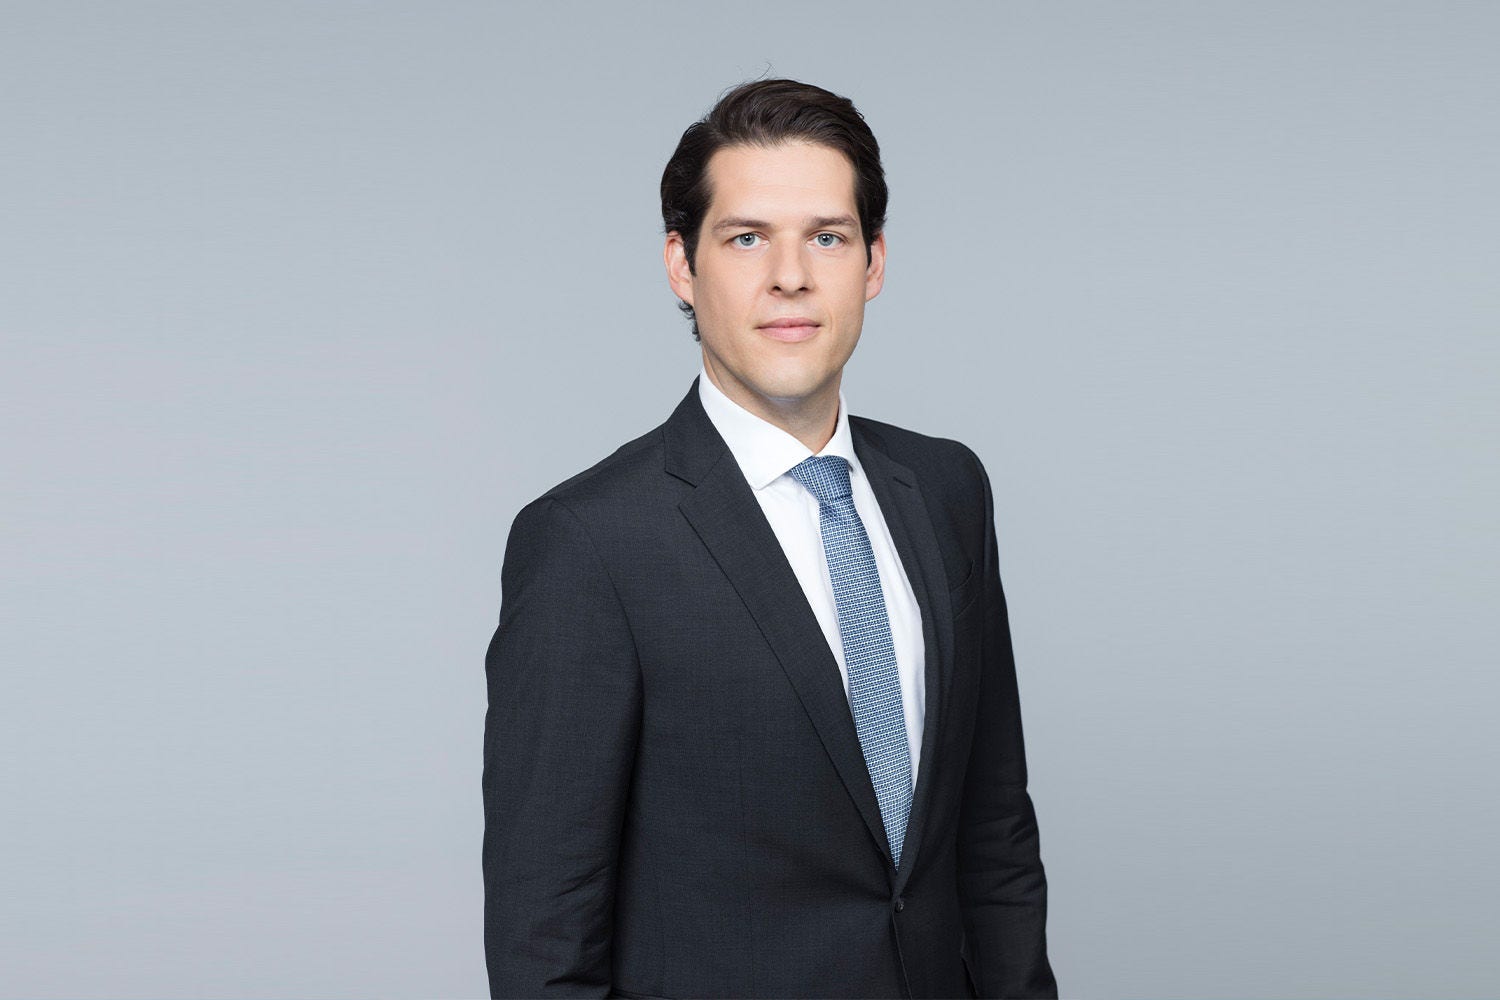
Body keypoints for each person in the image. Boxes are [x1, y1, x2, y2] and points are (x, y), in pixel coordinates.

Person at [482, 78, 1057, 999]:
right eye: (747, 238)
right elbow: (543, 931)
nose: (791, 275)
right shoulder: (589, 542)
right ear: (682, 266)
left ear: (873, 262)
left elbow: (994, 834)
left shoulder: (948, 489)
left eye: (827, 237)